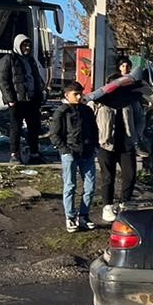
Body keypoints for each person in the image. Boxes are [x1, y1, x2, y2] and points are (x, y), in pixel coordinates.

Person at [48, 80, 98, 232]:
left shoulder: (87, 111)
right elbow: (54, 134)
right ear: (66, 95)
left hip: (87, 152)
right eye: (75, 94)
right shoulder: (61, 112)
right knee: (70, 186)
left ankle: (83, 216)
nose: (79, 96)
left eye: (80, 93)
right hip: (70, 152)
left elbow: (94, 130)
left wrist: (94, 146)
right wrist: (65, 150)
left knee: (90, 186)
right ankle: (70, 217)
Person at [92, 76, 145, 213]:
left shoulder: (130, 101)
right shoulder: (99, 101)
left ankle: (125, 202)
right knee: (108, 176)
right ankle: (107, 206)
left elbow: (140, 119)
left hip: (126, 143)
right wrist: (96, 137)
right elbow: (89, 119)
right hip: (106, 144)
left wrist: (136, 135)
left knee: (130, 175)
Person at [0, 35, 44, 164]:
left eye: (28, 45)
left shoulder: (31, 60)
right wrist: (10, 99)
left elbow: (36, 79)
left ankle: (34, 154)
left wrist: (40, 95)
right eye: (24, 45)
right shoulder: (8, 60)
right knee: (15, 128)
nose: (27, 48)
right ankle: (14, 154)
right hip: (17, 101)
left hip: (32, 100)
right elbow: (3, 80)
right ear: (18, 45)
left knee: (34, 128)